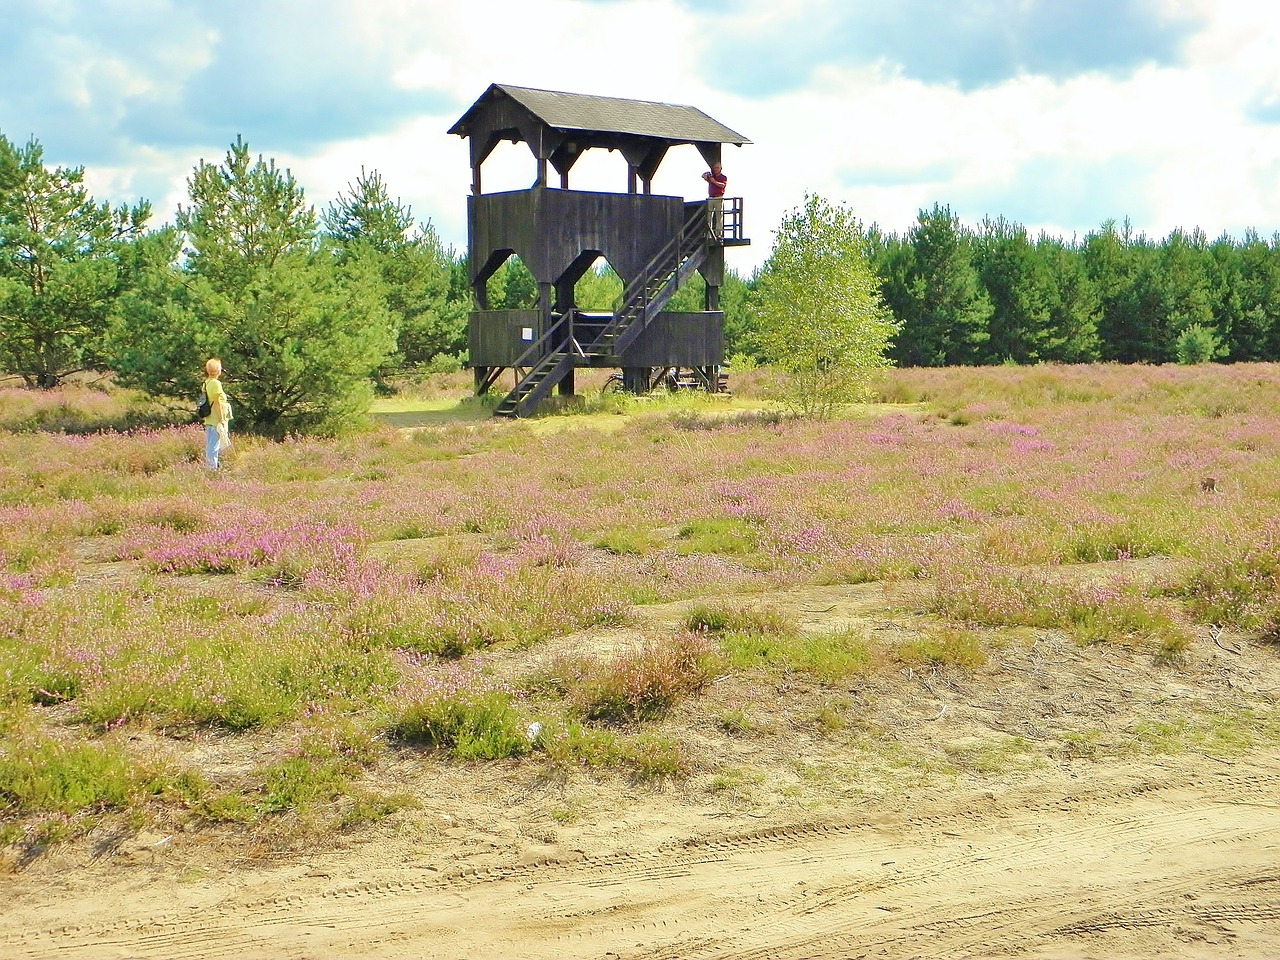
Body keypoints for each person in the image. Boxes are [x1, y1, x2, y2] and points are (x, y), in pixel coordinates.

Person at [201, 357, 231, 470]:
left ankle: (212, 467)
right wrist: (222, 419)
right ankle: (211, 470)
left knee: (211, 444)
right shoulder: (216, 383)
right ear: (218, 370)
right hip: (215, 420)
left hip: (209, 418)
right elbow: (217, 402)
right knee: (213, 447)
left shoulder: (206, 383)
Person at [701, 162, 727, 239]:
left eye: (717, 168)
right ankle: (709, 234)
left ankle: (718, 234)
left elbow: (722, 185)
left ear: (720, 168)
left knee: (719, 216)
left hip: (718, 197)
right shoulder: (712, 176)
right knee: (709, 216)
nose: (715, 169)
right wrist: (707, 175)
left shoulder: (723, 177)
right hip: (711, 197)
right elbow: (703, 176)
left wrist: (713, 181)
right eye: (714, 168)